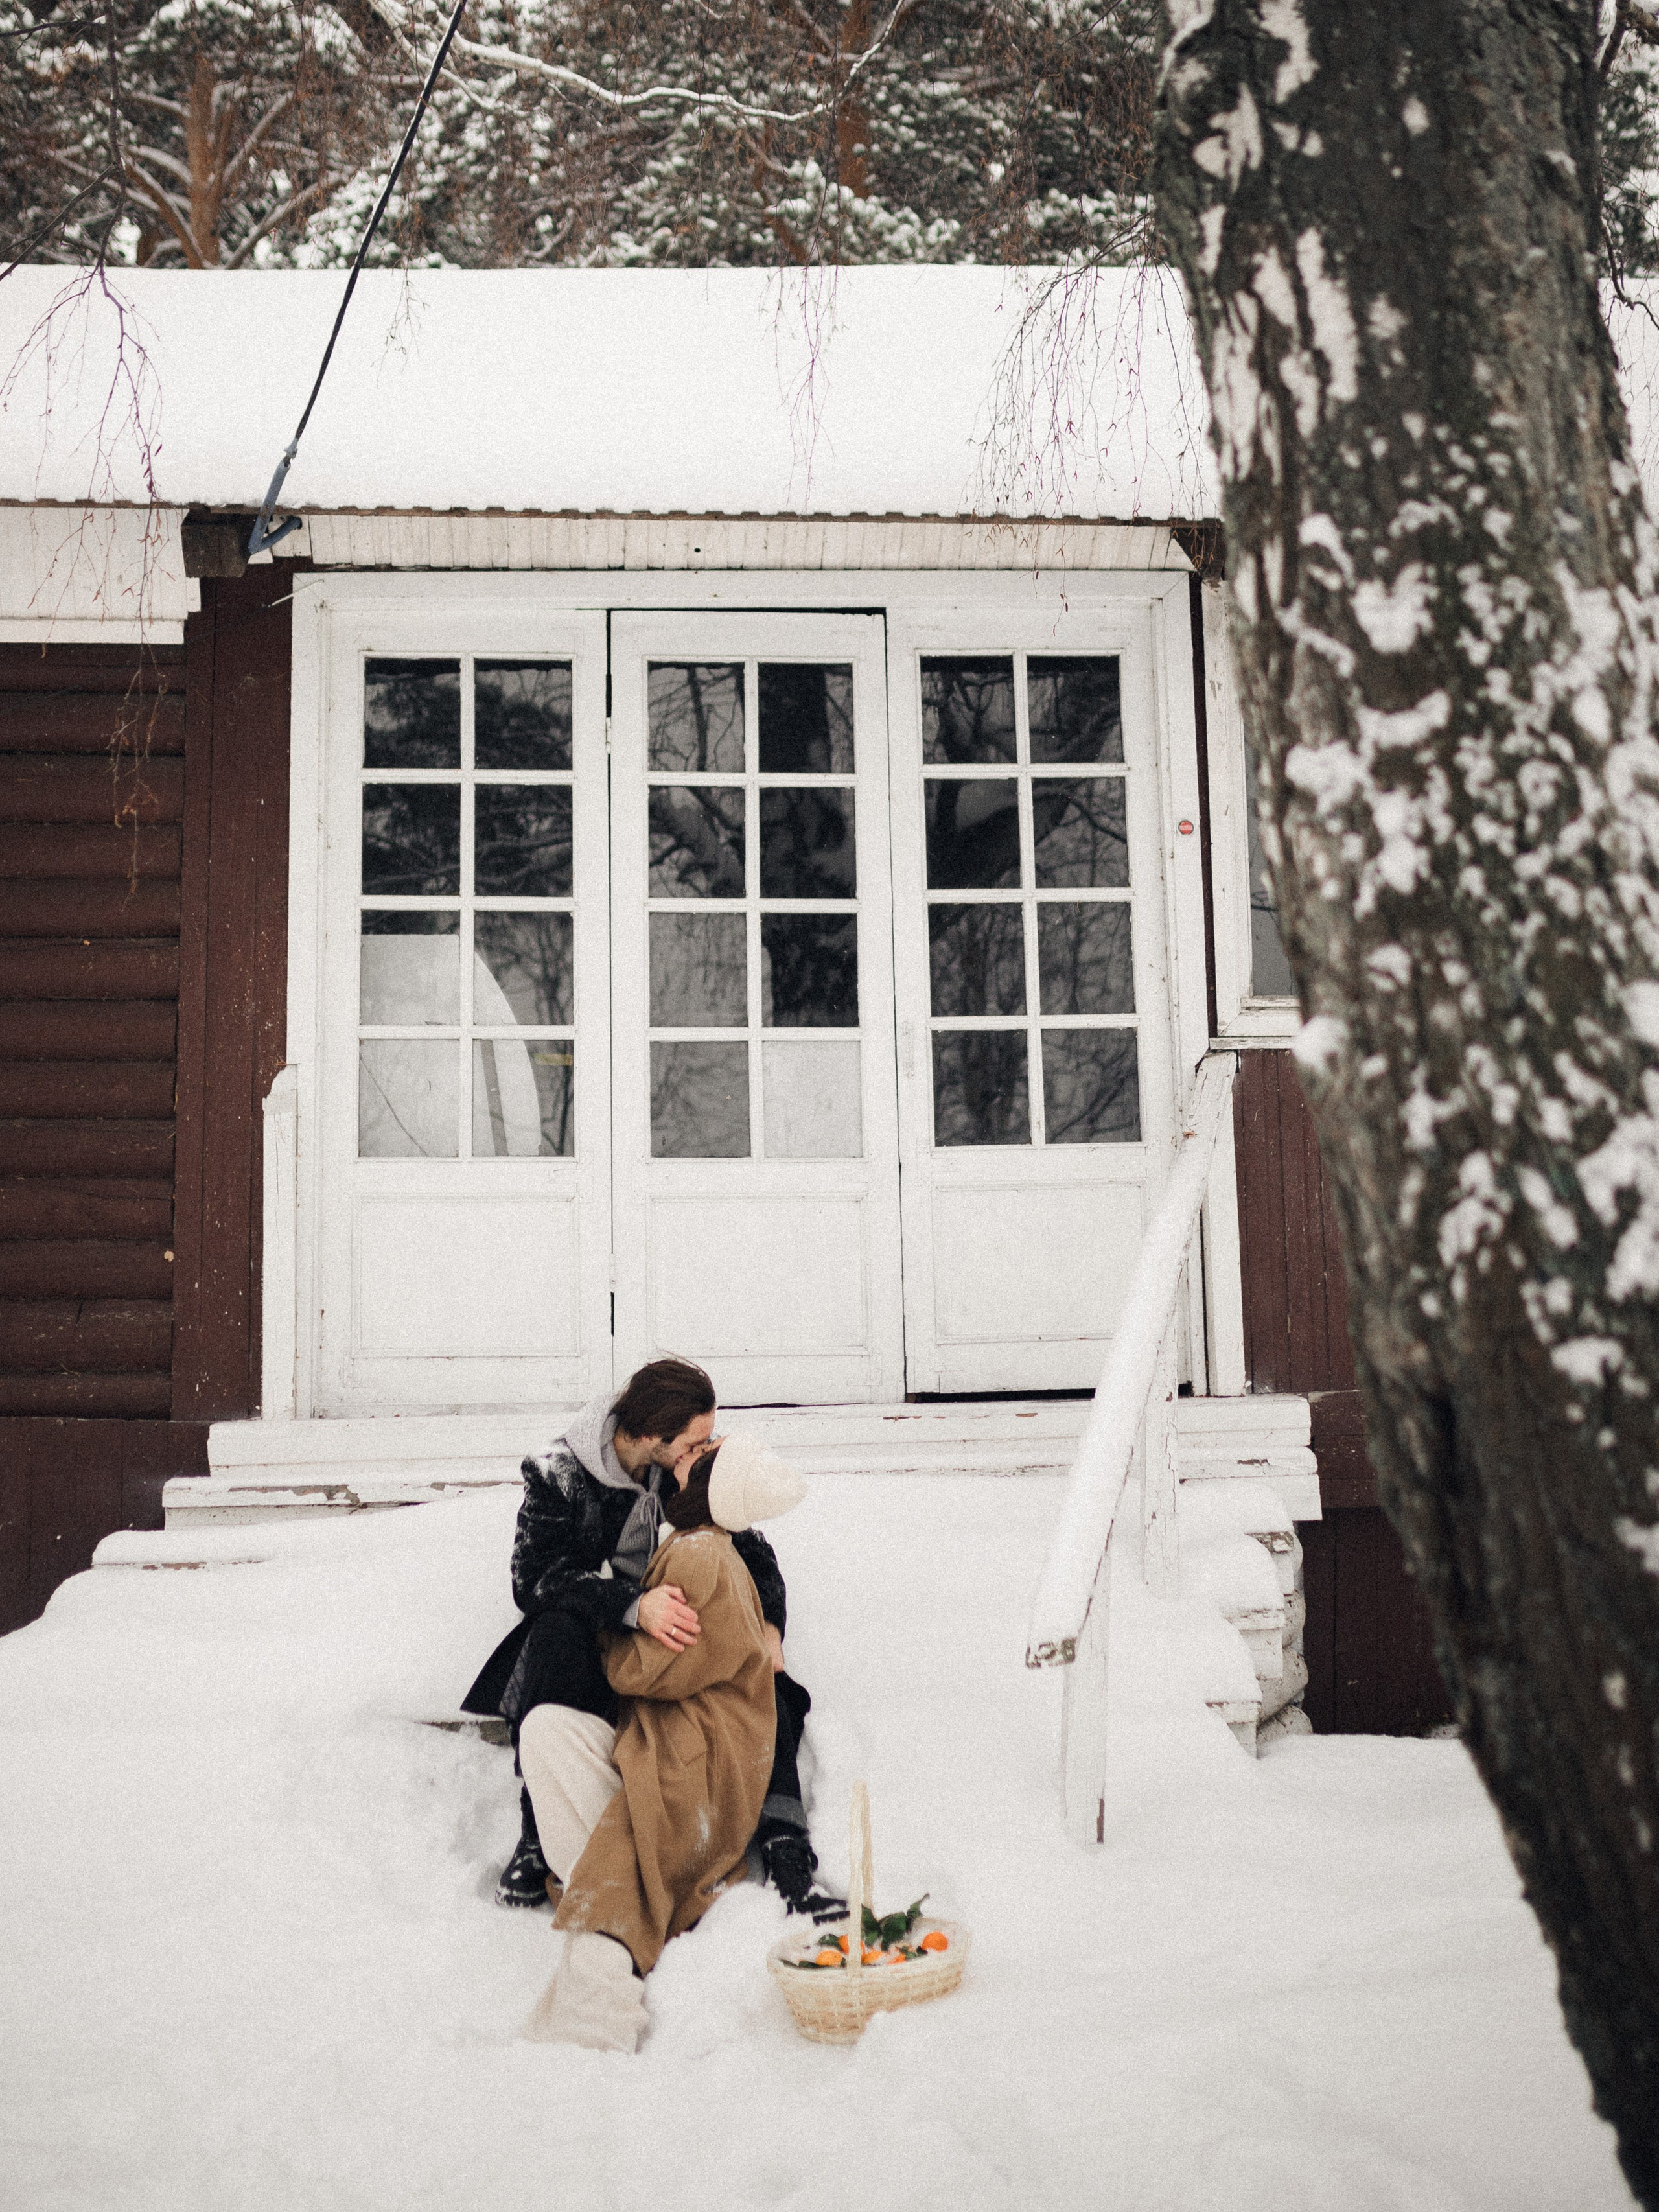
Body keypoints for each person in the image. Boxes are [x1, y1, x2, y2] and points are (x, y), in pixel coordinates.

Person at [461, 1356, 839, 1918]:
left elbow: (754, 1549)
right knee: (554, 1633)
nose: (704, 1449)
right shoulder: (558, 1471)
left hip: (679, 1631)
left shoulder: (683, 1466)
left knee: (766, 1684)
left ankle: (787, 1847)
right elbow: (534, 1578)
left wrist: (769, 1626)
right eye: (695, 1441)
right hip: (598, 1635)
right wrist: (632, 1605)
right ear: (647, 1436)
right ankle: (537, 1831)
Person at [522, 1434, 806, 2050]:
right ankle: (624, 1877)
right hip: (672, 1734)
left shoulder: (703, 1558)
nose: (690, 1454)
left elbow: (643, 1670)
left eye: (704, 1455)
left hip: (697, 1752)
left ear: (711, 1486)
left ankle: (614, 1923)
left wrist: (612, 1631)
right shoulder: (700, 1542)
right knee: (546, 1729)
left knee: (601, 1799)